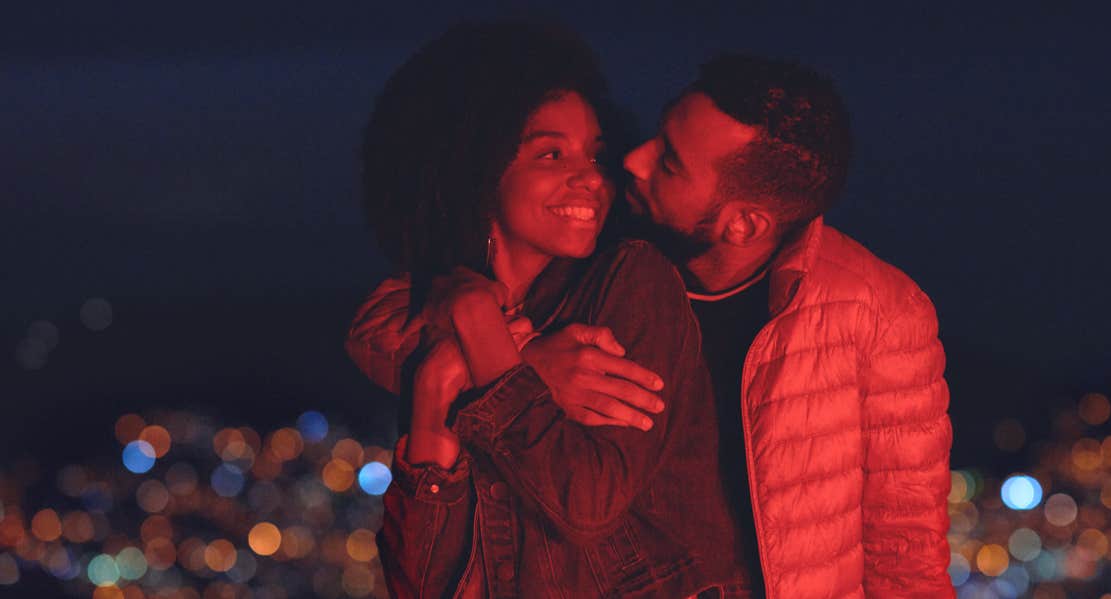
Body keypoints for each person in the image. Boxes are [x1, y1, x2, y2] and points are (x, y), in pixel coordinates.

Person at [350, 51, 955, 598]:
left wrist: (501, 365)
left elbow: (906, 553)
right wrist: (522, 362)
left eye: (668, 162)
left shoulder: (876, 313)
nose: (632, 161)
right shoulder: (596, 245)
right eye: (656, 134)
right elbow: (376, 327)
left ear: (741, 225)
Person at [355, 22, 757, 599]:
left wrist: (480, 341)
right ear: (478, 168)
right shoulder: (436, 310)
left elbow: (584, 506)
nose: (592, 177)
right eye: (551, 153)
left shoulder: (632, 281)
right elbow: (422, 584)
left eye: (595, 153)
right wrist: (440, 385)